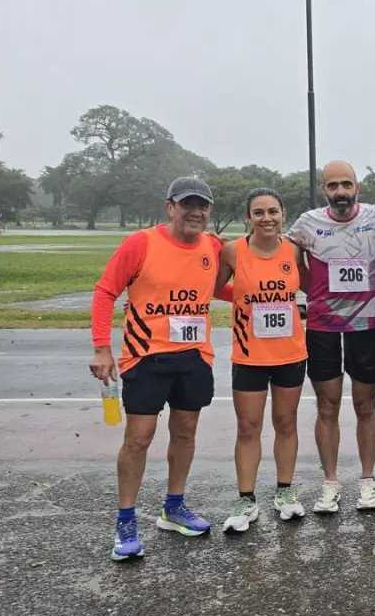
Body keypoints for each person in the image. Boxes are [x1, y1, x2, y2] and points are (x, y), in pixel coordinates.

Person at [88, 177, 230, 561]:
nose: (195, 212)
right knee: (139, 437)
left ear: (209, 212)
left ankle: (174, 506)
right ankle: (126, 520)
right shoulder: (141, 243)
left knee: (185, 432)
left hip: (194, 356)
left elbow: (221, 289)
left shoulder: (213, 247)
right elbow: (105, 292)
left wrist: (272, 294)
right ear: (170, 207)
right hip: (144, 356)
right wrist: (102, 348)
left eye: (202, 206)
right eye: (187, 204)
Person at [284, 161, 375, 514]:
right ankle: (330, 482)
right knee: (327, 406)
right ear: (324, 189)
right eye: (333, 185)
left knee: (366, 406)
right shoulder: (307, 223)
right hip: (323, 327)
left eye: (346, 184)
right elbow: (290, 265)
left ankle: (367, 480)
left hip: (366, 326)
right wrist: (316, 290)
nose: (340, 192)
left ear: (357, 187)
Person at [217, 188, 308, 532]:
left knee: (286, 423)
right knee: (249, 427)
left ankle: (285, 492)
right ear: (248, 218)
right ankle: (246, 499)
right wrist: (244, 299)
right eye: (258, 213)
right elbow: (212, 288)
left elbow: (313, 288)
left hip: (290, 353)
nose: (266, 218)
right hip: (249, 355)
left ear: (284, 214)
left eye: (273, 211)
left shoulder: (295, 250)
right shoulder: (232, 251)